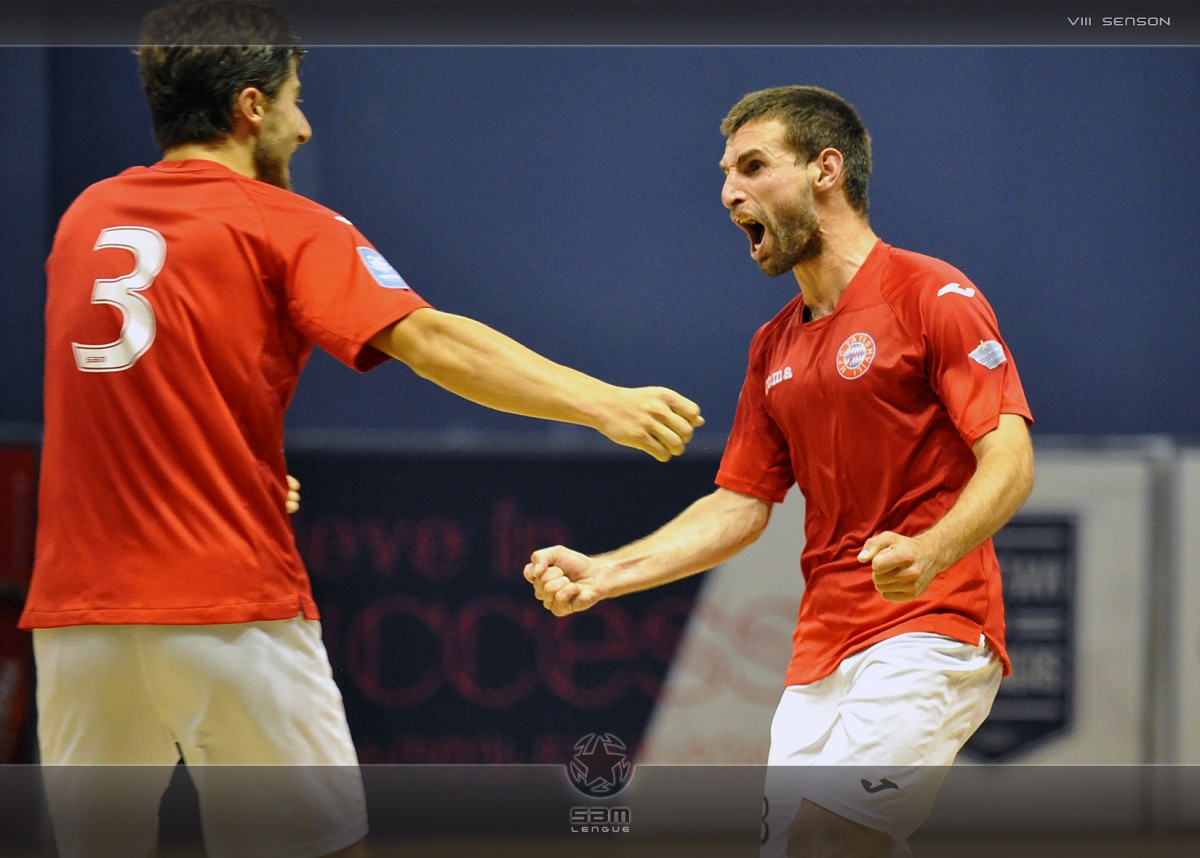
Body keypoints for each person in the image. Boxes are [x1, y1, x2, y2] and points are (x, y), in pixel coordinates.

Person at [19, 1, 704, 856]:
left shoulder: (85, 219)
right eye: (296, 98)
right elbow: (434, 341)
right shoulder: (284, 221)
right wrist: (602, 401)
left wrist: (234, 467)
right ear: (251, 107)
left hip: (77, 624)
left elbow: (129, 396)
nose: (305, 127)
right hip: (228, 607)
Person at [525, 85, 1034, 857]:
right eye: (727, 173)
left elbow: (1011, 458)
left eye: (754, 166)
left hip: (930, 626)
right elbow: (740, 504)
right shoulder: (774, 346)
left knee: (831, 837)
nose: (729, 192)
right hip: (819, 649)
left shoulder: (932, 293)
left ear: (826, 170)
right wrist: (606, 572)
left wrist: (932, 549)